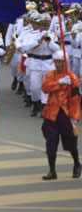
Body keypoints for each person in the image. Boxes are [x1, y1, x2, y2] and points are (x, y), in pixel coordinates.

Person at [40, 50, 81, 180]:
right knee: (51, 142)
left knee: (70, 141)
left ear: (65, 63)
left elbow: (75, 99)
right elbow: (45, 88)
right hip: (51, 112)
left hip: (65, 113)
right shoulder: (50, 75)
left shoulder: (73, 78)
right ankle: (52, 170)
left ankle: (76, 163)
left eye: (60, 62)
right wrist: (60, 83)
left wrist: (74, 117)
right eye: (56, 62)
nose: (57, 65)